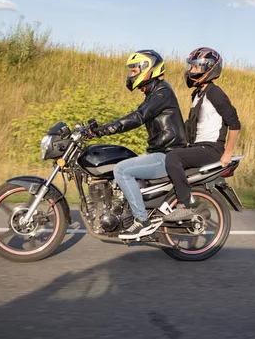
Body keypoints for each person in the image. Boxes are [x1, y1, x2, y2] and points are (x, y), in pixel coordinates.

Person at [89, 49, 187, 239]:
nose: (131, 74)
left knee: (122, 170)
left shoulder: (162, 92)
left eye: (134, 70)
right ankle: (123, 214)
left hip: (168, 155)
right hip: (160, 153)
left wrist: (105, 130)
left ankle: (141, 221)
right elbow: (138, 114)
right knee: (119, 167)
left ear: (148, 69)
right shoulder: (154, 94)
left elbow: (138, 117)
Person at [164, 47, 241, 222]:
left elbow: (234, 123)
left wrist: (227, 153)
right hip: (197, 146)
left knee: (173, 158)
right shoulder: (198, 94)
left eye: (195, 68)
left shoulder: (215, 92)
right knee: (166, 155)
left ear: (209, 68)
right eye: (190, 67)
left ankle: (184, 205)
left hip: (211, 149)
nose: (191, 71)